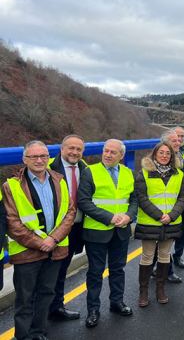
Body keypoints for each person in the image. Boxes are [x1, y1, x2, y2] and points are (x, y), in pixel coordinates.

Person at [2, 140, 75, 340]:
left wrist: (53, 239)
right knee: (25, 298)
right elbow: (12, 222)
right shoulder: (12, 186)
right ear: (24, 159)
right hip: (27, 251)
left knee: (46, 293)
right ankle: (23, 335)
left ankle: (38, 332)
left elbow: (69, 212)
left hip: (55, 248)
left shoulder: (59, 180)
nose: (39, 160)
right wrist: (40, 242)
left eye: (43, 156)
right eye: (34, 156)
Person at [78, 139, 137, 328]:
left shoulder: (128, 173)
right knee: (95, 272)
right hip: (97, 231)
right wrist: (110, 217)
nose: (108, 154)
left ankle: (117, 302)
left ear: (121, 155)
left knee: (118, 269)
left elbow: (134, 200)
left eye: (113, 152)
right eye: (106, 151)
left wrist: (129, 216)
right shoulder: (90, 172)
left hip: (121, 231)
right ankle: (93, 310)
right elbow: (84, 202)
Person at [134, 142, 184, 307]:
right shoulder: (144, 173)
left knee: (165, 254)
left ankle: (160, 289)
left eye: (168, 153)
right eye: (161, 153)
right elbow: (141, 198)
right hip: (150, 221)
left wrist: (171, 216)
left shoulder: (178, 174)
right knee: (147, 256)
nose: (164, 156)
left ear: (172, 156)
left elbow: (182, 197)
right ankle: (143, 291)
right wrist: (159, 216)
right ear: (154, 154)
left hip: (171, 221)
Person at [47, 134, 87, 321]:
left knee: (62, 269)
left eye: (78, 149)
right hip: (54, 230)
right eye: (70, 148)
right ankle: (42, 310)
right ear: (61, 149)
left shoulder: (85, 169)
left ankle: (56, 306)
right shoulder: (48, 169)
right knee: (49, 270)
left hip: (76, 227)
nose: (74, 152)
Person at [171, 126, 184, 269]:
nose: (179, 140)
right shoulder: (165, 151)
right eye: (177, 136)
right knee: (166, 232)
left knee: (182, 230)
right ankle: (162, 263)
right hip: (169, 197)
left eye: (182, 137)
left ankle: (177, 256)